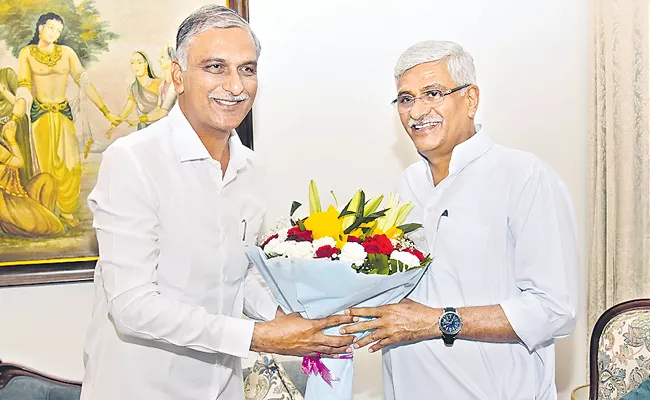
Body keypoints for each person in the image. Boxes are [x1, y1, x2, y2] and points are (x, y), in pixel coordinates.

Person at [80, 6, 354, 400]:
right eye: (215, 67)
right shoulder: (133, 160)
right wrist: (259, 336)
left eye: (247, 69)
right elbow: (132, 306)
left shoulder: (251, 168)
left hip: (222, 386)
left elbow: (239, 277)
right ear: (178, 76)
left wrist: (294, 319)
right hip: (140, 387)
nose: (235, 86)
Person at [342, 40, 579, 399]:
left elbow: (554, 309)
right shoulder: (404, 186)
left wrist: (437, 321)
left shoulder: (523, 176)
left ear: (470, 99)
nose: (417, 111)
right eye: (405, 99)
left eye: (433, 93)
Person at [1, 13, 121, 227]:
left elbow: (84, 83)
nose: (54, 33)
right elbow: (24, 89)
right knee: (46, 166)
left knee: (71, 165)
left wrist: (106, 111)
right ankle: (49, 209)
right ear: (40, 28)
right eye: (50, 28)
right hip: (41, 116)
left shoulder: (67, 53)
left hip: (63, 114)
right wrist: (15, 117)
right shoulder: (27, 53)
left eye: (58, 30)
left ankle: (67, 211)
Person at [0, 113, 64, 237]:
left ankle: (43, 217)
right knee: (55, 227)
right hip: (7, 204)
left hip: (18, 195)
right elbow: (19, 162)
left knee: (47, 179)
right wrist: (11, 139)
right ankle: (40, 223)